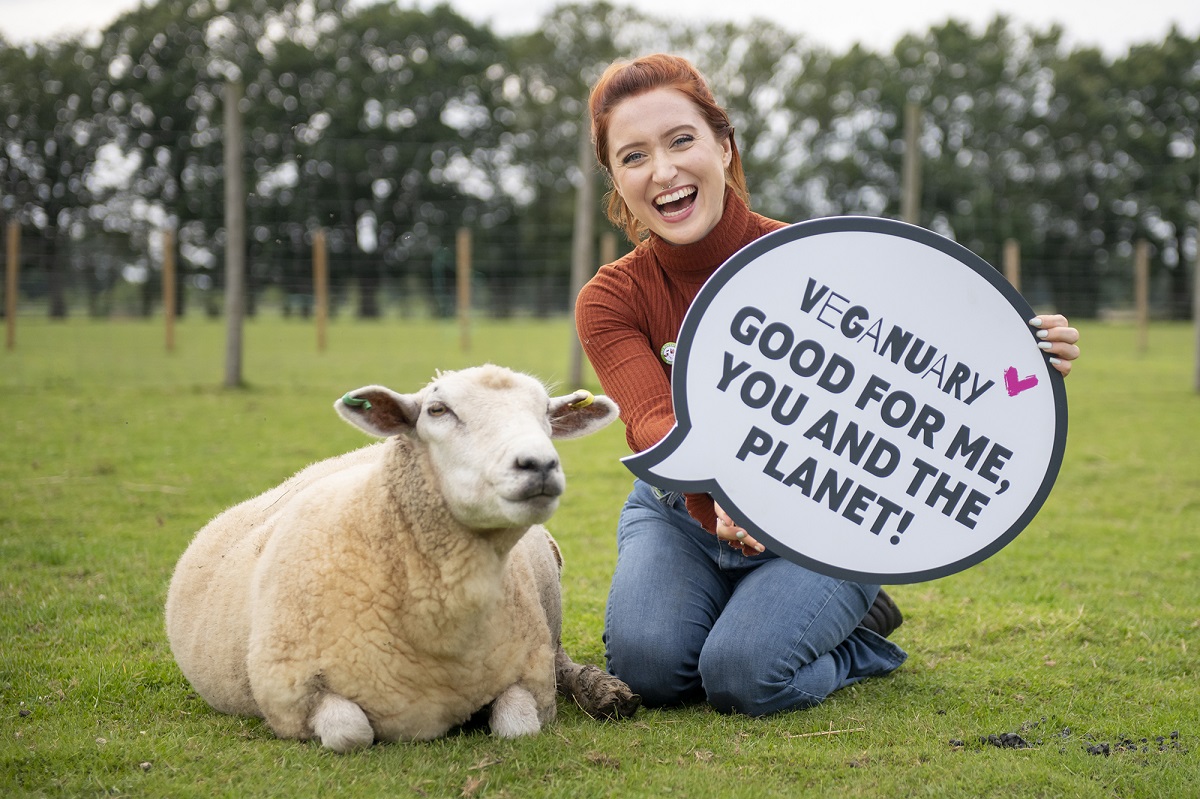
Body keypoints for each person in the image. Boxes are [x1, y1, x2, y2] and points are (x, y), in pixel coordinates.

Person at [574, 53, 1082, 717]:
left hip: (824, 518)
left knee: (742, 678)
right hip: (682, 515)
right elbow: (649, 419)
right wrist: (720, 486)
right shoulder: (611, 297)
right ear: (616, 178)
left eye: (681, 140)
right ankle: (752, 613)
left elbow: (925, 366)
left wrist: (1026, 363)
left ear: (724, 147)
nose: (663, 171)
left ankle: (856, 636)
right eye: (634, 156)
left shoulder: (816, 261)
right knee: (651, 672)